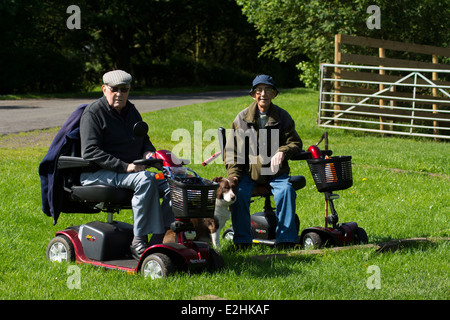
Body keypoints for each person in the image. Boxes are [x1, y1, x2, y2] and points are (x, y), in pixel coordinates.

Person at [79, 70, 173, 259]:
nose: (120, 94)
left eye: (124, 90)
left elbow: (143, 139)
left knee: (176, 185)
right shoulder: (93, 113)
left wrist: (148, 152)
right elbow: (89, 151)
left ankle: (158, 238)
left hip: (130, 171)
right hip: (98, 172)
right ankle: (138, 241)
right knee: (146, 179)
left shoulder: (131, 111)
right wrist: (125, 166)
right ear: (104, 89)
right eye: (114, 89)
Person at [224, 74, 303, 250]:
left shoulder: (282, 116)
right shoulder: (241, 119)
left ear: (274, 94)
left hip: (276, 173)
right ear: (253, 95)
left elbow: (295, 143)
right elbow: (232, 153)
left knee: (286, 191)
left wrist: (283, 152)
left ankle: (286, 239)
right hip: (248, 173)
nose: (263, 94)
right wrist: (234, 178)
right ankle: (242, 241)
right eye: (259, 90)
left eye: (268, 90)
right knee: (240, 194)